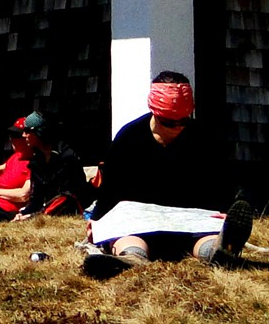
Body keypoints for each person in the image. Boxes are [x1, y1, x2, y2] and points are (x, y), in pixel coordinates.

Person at [82, 72, 252, 278]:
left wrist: (226, 211)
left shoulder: (205, 138)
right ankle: (131, 258)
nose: (177, 128)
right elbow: (111, 190)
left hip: (190, 222)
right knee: (126, 237)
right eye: (169, 123)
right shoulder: (129, 138)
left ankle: (219, 252)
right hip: (139, 222)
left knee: (206, 238)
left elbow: (222, 182)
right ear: (154, 112)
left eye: (183, 122)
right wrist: (99, 222)